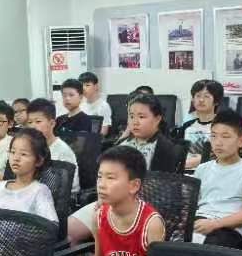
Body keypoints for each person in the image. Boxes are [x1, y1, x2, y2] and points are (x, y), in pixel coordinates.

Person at [67, 93, 180, 245]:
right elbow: (105, 176)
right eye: (131, 116)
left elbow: (161, 193)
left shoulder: (166, 149)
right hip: (109, 202)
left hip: (140, 209)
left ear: (157, 119)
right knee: (69, 232)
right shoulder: (123, 144)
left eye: (141, 117)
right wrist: (102, 198)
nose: (135, 122)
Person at [193, 109, 242, 249]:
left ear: (241, 141)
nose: (218, 143)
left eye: (225, 137)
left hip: (229, 228)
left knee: (213, 246)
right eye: (213, 136)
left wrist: (215, 224)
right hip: (200, 221)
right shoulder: (202, 169)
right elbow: (191, 205)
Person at [26, 98, 80, 193]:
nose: (33, 126)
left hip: (62, 197)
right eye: (30, 122)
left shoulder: (62, 151)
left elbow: (59, 188)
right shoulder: (31, 147)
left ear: (52, 123)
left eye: (38, 121)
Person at [179, 79, 224, 170]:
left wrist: (185, 163)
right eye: (198, 96)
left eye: (206, 96)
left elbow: (220, 154)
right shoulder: (187, 126)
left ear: (216, 101)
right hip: (185, 173)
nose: (201, 100)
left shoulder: (224, 126)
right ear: (193, 99)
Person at [78, 72, 112, 137]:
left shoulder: (103, 106)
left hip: (92, 139)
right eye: (81, 86)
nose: (83, 88)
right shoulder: (81, 105)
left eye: (87, 85)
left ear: (96, 86)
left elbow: (104, 131)